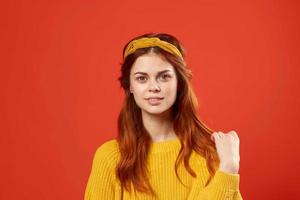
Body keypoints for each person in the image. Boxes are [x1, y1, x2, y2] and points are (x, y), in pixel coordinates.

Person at [84, 33, 243, 199]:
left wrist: (229, 170)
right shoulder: (110, 157)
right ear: (130, 86)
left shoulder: (210, 153)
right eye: (142, 78)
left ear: (179, 83)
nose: (154, 87)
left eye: (164, 76)